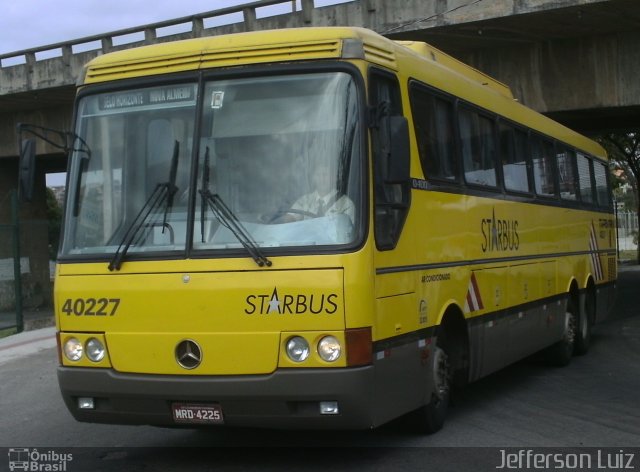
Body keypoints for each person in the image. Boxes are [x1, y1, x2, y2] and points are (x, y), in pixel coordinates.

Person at [271, 160, 355, 224]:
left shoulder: (346, 204)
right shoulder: (304, 200)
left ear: (334, 178)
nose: (322, 179)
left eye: (325, 174)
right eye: (318, 175)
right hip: (308, 246)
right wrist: (276, 219)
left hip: (334, 247)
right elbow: (290, 218)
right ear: (314, 178)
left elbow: (348, 232)